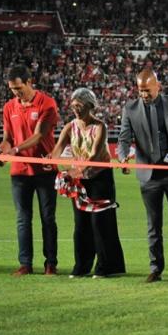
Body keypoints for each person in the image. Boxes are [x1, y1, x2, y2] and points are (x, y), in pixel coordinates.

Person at [117, 69, 168, 283]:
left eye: (147, 90)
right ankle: (155, 268)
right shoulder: (129, 109)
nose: (143, 95)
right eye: (140, 91)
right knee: (153, 224)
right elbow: (124, 138)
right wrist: (123, 157)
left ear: (157, 86)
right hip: (148, 175)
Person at [51, 88, 126, 279]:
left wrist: (74, 170)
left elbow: (93, 155)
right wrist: (48, 161)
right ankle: (81, 267)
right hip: (80, 180)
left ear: (90, 106)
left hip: (100, 179)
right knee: (81, 224)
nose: (75, 109)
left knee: (101, 223)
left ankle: (106, 267)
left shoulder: (100, 126)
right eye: (73, 105)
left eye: (80, 105)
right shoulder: (70, 127)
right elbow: (57, 150)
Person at [0, 64, 60, 277]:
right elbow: (7, 138)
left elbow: (39, 136)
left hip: (45, 169)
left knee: (47, 218)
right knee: (22, 218)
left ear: (29, 82)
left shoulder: (47, 103)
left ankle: (50, 263)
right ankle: (25, 263)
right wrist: (1, 150)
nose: (16, 93)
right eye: (12, 89)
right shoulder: (9, 107)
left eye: (19, 88)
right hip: (19, 172)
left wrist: (15, 149)